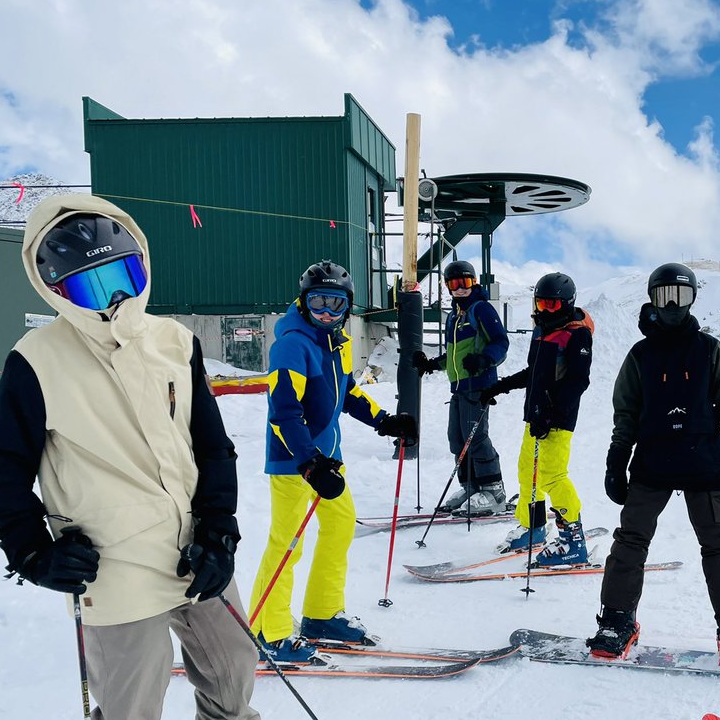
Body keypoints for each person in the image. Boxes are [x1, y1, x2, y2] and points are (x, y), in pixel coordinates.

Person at [0, 195, 292, 720]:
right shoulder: (38, 360)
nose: (113, 299)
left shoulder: (175, 342)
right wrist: (33, 548)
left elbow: (211, 447)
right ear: (55, 289)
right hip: (112, 571)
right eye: (92, 287)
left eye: (126, 278)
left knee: (234, 671)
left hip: (192, 552)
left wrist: (220, 529)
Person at [587, 263, 720, 667]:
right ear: (652, 298)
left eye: (680, 296)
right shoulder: (641, 355)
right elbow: (625, 414)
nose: (671, 305)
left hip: (704, 461)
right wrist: (616, 462)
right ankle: (617, 619)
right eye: (664, 295)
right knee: (631, 538)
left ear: (693, 299)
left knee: (719, 543)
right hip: (653, 461)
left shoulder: (709, 350)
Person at [250, 260, 417, 663]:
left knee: (340, 526)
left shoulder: (335, 342)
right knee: (288, 543)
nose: (327, 312)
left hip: (325, 458)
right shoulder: (293, 344)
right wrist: (308, 463)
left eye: (336, 304)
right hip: (295, 459)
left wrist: (384, 421)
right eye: (318, 302)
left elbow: (347, 392)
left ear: (348, 306)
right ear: (304, 302)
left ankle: (322, 615)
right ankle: (265, 631)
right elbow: (284, 413)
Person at [479, 272, 593, 566]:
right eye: (540, 303)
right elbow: (534, 374)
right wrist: (499, 386)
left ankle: (573, 540)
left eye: (552, 306)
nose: (544, 310)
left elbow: (578, 381)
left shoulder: (576, 334)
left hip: (558, 420)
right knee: (526, 472)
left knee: (552, 476)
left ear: (568, 304)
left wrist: (552, 416)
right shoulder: (541, 331)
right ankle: (534, 528)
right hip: (536, 418)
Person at [412, 259, 510, 515]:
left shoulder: (482, 309)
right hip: (458, 387)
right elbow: (454, 355)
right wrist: (432, 364)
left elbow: (501, 343)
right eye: (453, 284)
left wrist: (484, 359)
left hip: (480, 385)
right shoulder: (454, 316)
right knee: (456, 440)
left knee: (475, 437)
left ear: (473, 282)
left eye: (464, 282)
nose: (459, 288)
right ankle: (472, 487)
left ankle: (493, 490)